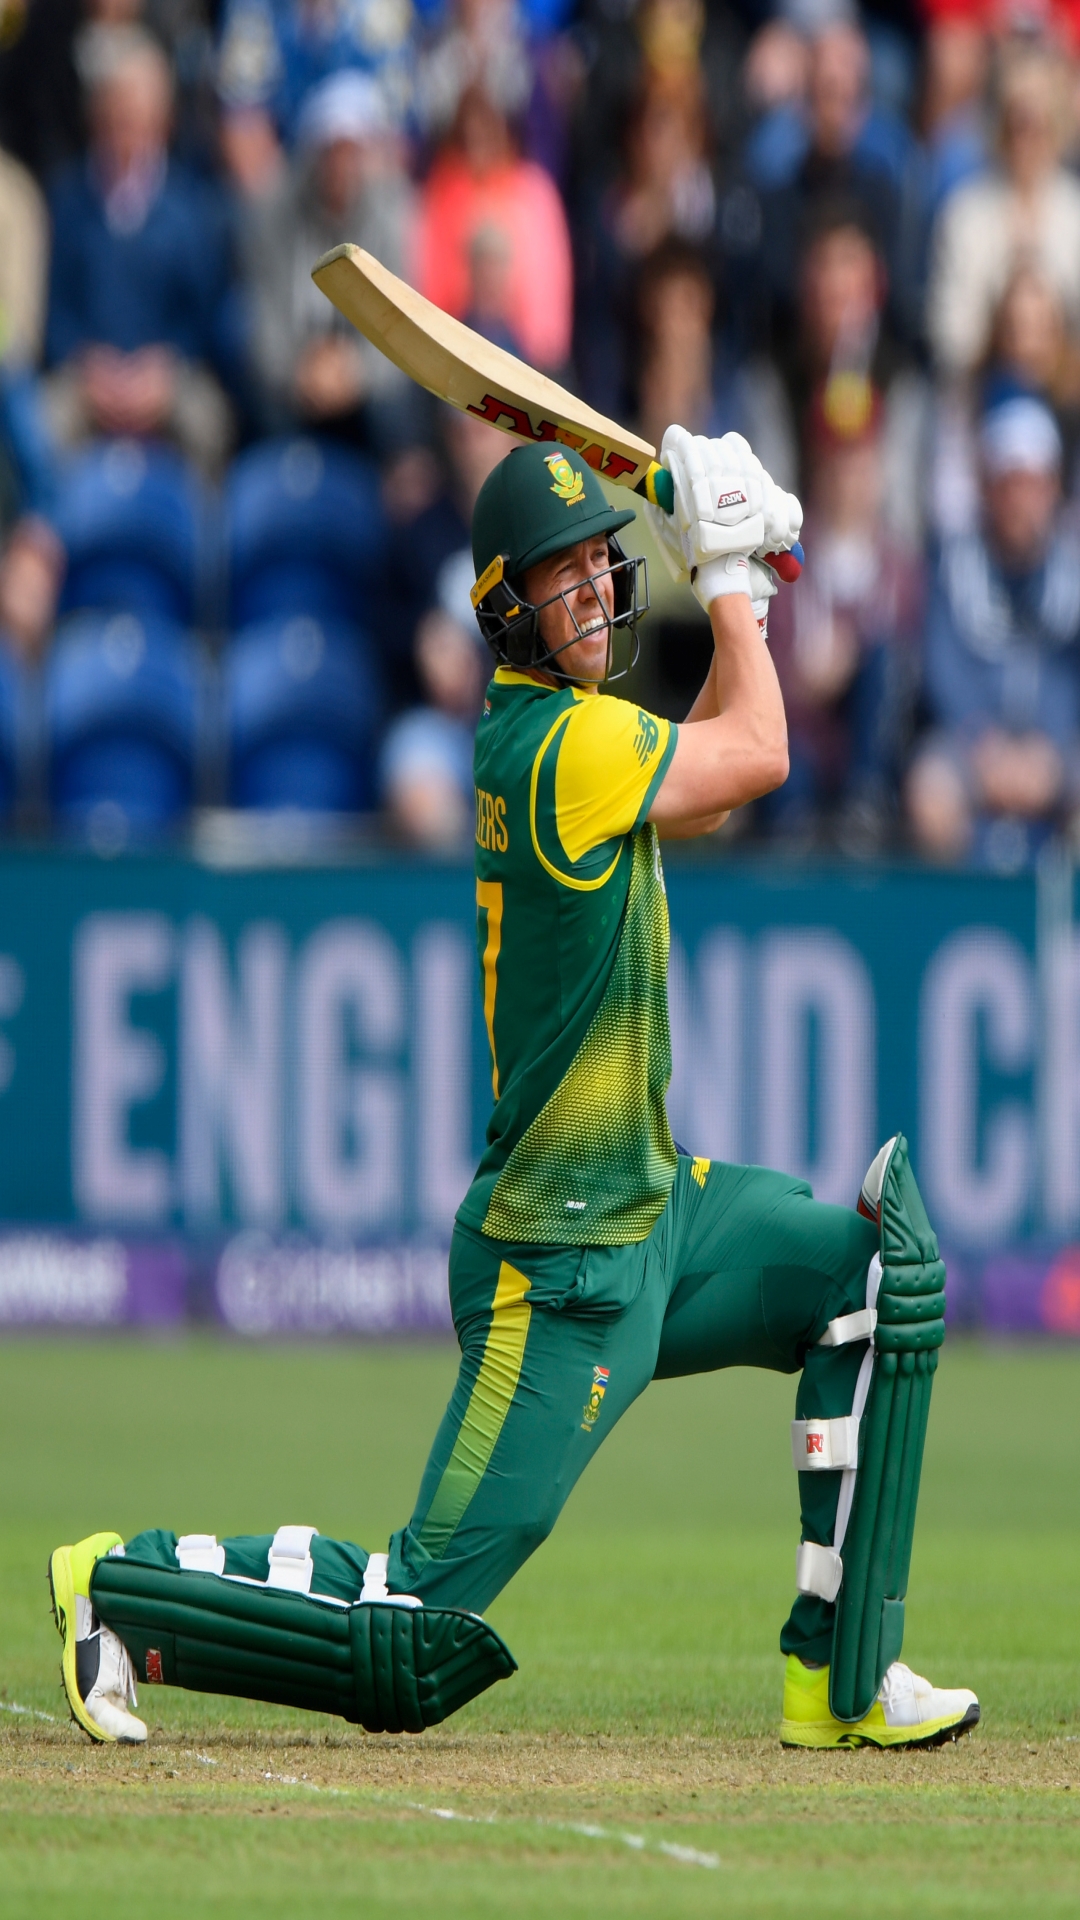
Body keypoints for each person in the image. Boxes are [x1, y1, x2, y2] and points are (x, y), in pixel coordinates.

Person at [48, 430, 978, 1753]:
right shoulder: (560, 750)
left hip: (657, 1219)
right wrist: (727, 572)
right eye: (562, 576)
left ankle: (842, 1678)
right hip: (557, 1269)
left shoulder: (580, 739)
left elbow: (715, 785)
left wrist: (730, 574)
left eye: (602, 563)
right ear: (503, 608)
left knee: (876, 1282)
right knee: (414, 1628)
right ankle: (119, 1584)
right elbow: (762, 754)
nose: (595, 591)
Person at [44, 28, 237, 481]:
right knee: (41, 426)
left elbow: (206, 315)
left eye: (136, 111)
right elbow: (54, 312)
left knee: (207, 423)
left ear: (162, 118)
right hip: (87, 378)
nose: (124, 122)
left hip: (169, 377)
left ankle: (199, 529)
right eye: (115, 108)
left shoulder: (192, 208)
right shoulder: (69, 200)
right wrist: (88, 366)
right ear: (96, 114)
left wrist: (165, 368)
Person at [908, 395, 1080, 870]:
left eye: (1033, 485)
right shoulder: (951, 565)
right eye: (1009, 485)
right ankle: (956, 912)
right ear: (986, 488)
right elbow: (939, 669)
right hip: (970, 747)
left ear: (1053, 488)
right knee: (930, 794)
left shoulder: (1072, 571)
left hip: (1056, 751)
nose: (1021, 502)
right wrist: (986, 749)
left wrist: (1047, 753)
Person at [241, 68, 417, 445]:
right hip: (298, 367)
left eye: (352, 152)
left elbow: (405, 324)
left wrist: (355, 372)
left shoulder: (393, 212)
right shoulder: (275, 212)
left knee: (397, 409)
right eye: (331, 152)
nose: (341, 166)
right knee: (258, 388)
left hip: (364, 371)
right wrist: (299, 371)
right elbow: (265, 314)